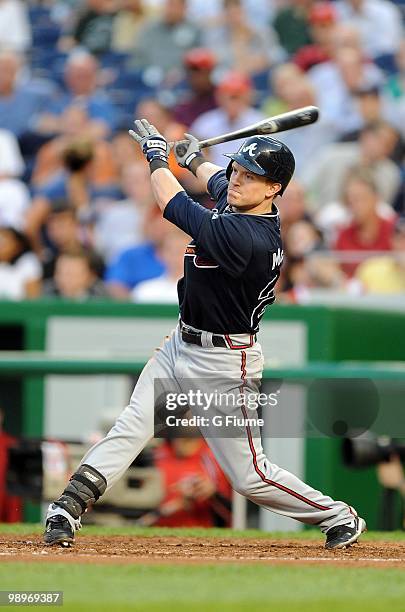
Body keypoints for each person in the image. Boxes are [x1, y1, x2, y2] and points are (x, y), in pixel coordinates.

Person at [43, 118, 366, 550]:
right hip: (180, 343)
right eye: (238, 170)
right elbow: (218, 182)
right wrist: (196, 158)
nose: (238, 180)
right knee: (131, 426)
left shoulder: (246, 236)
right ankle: (67, 507)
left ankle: (337, 516)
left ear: (273, 190)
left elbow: (171, 203)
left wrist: (158, 156)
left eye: (252, 177)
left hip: (224, 362)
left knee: (249, 475)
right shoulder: (241, 201)